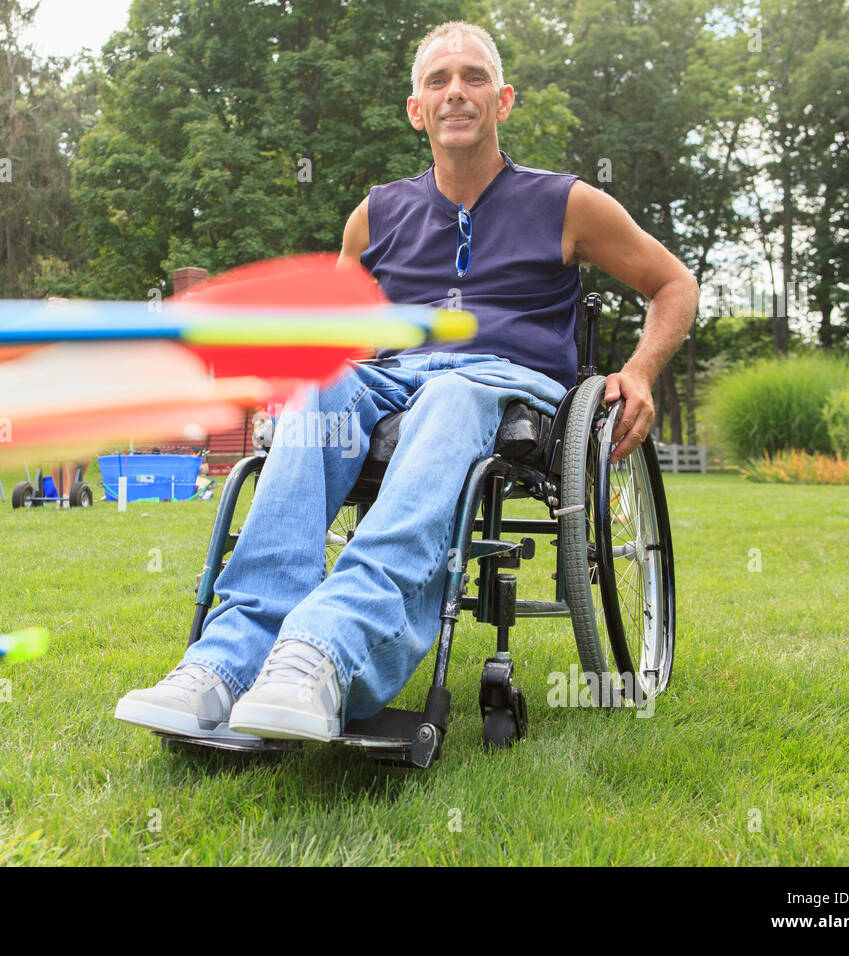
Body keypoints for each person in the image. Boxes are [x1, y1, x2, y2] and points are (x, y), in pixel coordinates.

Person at [115, 20, 698, 743]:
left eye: (474, 77)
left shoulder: (567, 204)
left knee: (453, 395)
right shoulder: (376, 215)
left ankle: (330, 651)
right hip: (395, 380)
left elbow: (672, 283)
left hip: (504, 386)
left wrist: (639, 372)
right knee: (320, 389)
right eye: (438, 81)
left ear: (504, 100)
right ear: (417, 109)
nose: (457, 91)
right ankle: (228, 661)